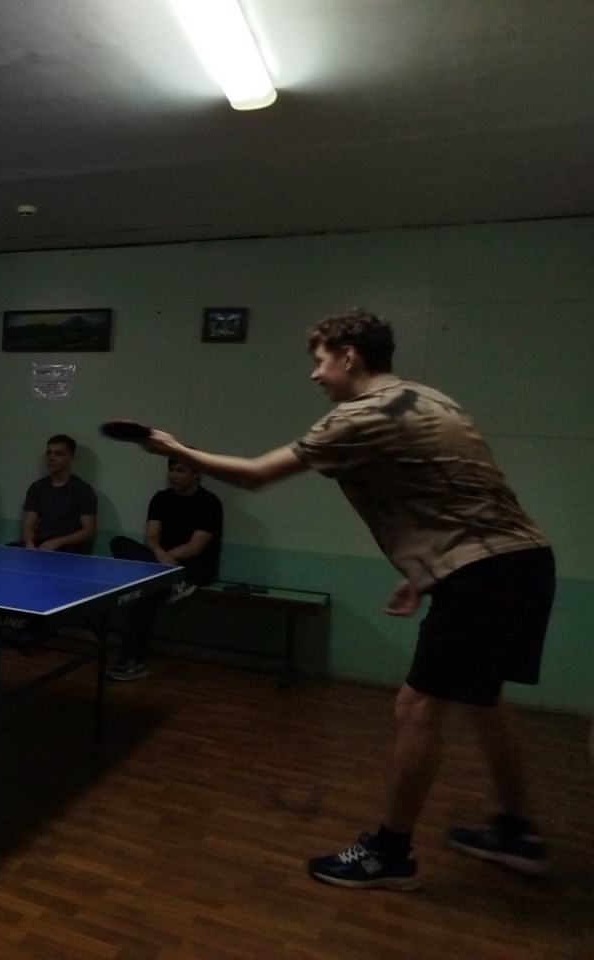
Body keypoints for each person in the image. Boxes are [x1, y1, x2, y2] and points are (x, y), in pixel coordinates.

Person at [125, 308, 553, 890]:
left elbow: (256, 474)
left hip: (482, 573)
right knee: (484, 698)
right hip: (522, 560)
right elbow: (457, 490)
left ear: (349, 356)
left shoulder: (358, 415)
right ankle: (516, 830)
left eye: (320, 360)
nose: (315, 374)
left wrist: (177, 449)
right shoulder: (431, 399)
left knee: (417, 707)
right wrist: (428, 571)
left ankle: (390, 853)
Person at [107, 457, 223, 681]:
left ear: (196, 474)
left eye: (180, 470)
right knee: (119, 543)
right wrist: (161, 557)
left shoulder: (210, 503)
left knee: (143, 591)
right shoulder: (161, 498)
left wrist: (164, 561)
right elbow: (151, 538)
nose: (173, 475)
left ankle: (133, 661)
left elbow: (196, 547)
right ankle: (173, 585)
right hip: (162, 564)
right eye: (171, 470)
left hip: (194, 566)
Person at [12, 434, 97, 553]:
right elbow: (29, 524)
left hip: (68, 549)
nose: (51, 458)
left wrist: (57, 542)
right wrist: (29, 543)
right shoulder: (37, 487)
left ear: (71, 458)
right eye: (49, 453)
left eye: (58, 454)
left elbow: (88, 531)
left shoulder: (83, 490)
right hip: (39, 544)